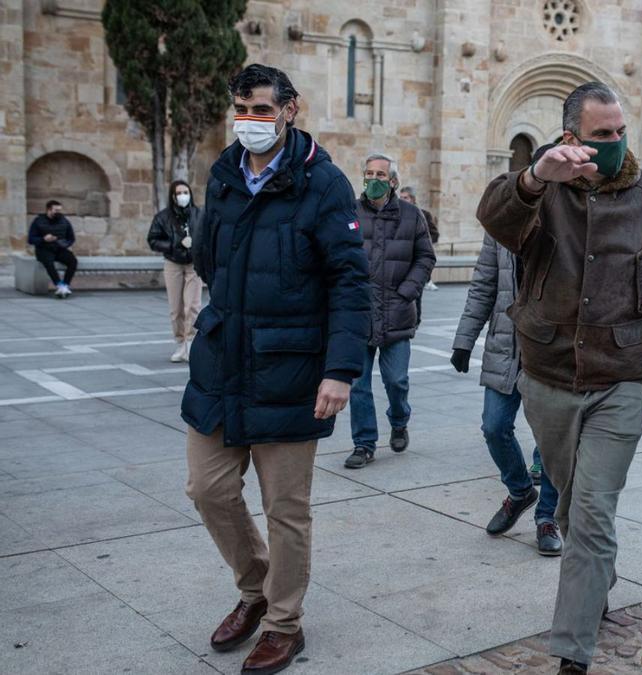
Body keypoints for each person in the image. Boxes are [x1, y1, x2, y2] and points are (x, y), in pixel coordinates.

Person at [476, 81, 642, 674]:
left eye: (619, 132)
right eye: (601, 134)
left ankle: (571, 656)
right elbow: (494, 220)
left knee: (593, 512)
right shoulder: (540, 190)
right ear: (571, 135)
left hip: (621, 379)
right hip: (547, 375)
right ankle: (596, 577)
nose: (614, 142)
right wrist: (533, 177)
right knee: (576, 508)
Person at [182, 64, 369, 675]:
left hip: (290, 371)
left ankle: (283, 625)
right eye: (242, 110)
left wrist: (340, 370)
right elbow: (210, 259)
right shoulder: (224, 174)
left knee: (286, 510)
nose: (250, 122)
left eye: (262, 110)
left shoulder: (325, 184)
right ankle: (255, 589)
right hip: (223, 362)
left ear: (291, 109)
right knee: (207, 489)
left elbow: (349, 283)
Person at [451, 234, 562, 555]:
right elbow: (484, 285)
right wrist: (464, 339)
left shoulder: (569, 210)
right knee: (494, 425)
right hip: (506, 346)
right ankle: (519, 491)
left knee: (551, 440)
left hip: (552, 348)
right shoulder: (502, 222)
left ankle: (547, 518)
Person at [343, 154, 436, 469]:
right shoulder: (350, 213)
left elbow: (425, 257)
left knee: (396, 380)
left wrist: (407, 290)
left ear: (392, 180)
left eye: (380, 174)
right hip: (360, 314)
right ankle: (364, 443)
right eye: (368, 173)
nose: (373, 179)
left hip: (397, 311)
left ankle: (399, 420)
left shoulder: (411, 216)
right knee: (358, 384)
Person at [147, 180, 204, 362]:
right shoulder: (163, 217)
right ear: (173, 196)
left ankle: (191, 342)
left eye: (185, 192)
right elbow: (153, 240)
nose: (183, 196)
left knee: (193, 306)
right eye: (179, 193)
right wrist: (174, 244)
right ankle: (180, 342)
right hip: (173, 263)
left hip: (194, 264)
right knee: (176, 308)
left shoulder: (199, 214)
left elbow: (208, 235)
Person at [27, 200, 78, 298]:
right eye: (56, 210)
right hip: (43, 249)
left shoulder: (64, 221)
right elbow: (31, 239)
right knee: (49, 263)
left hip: (59, 248)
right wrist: (43, 239)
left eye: (60, 210)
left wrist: (65, 244)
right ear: (48, 210)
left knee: (73, 261)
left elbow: (71, 238)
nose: (58, 212)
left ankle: (65, 285)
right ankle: (59, 285)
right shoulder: (38, 221)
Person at [399, 185, 441, 292]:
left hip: (416, 261)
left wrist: (422, 244)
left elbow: (434, 234)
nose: (402, 200)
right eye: (401, 198)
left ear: (413, 199)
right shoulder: (396, 214)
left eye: (405, 198)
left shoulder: (424, 214)